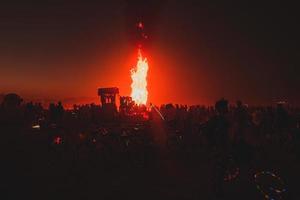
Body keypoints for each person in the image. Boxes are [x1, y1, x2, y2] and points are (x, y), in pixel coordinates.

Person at [206, 98, 231, 198]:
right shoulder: (221, 120)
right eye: (226, 106)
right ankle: (217, 192)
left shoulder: (217, 119)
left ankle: (217, 190)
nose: (227, 108)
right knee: (219, 171)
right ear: (221, 108)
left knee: (218, 171)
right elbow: (221, 136)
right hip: (220, 149)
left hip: (219, 149)